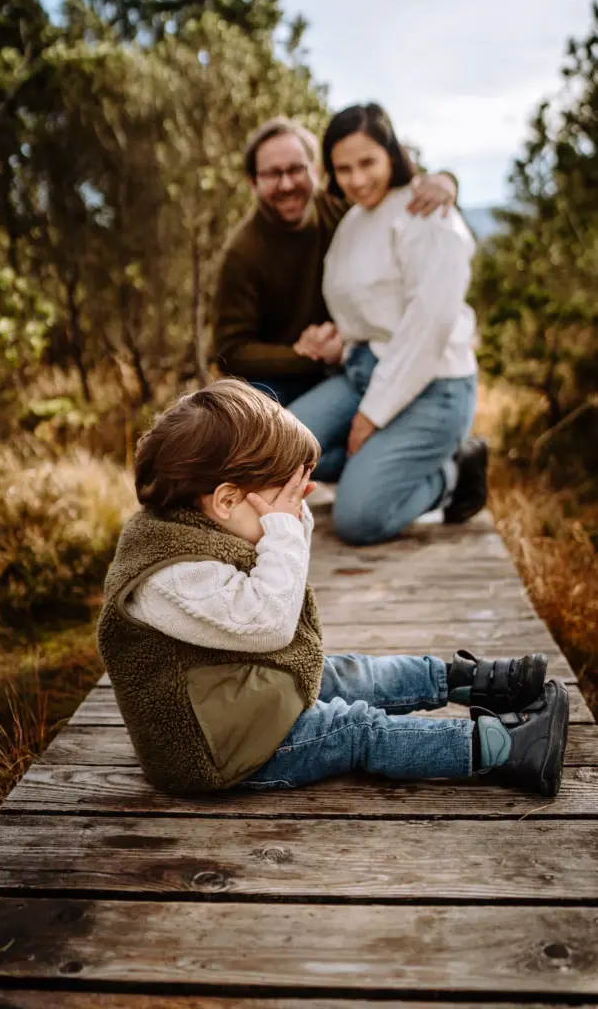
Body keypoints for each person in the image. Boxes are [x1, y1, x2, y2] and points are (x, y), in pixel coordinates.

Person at [97, 379, 569, 799]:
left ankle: (478, 684)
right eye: (280, 496)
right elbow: (270, 624)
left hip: (238, 698)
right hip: (218, 749)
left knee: (345, 674)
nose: (291, 508)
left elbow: (281, 589)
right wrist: (282, 531)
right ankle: (507, 749)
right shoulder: (170, 575)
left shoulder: (204, 522)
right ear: (225, 499)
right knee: (355, 730)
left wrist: (286, 521)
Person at [289, 103, 487, 545]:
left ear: (392, 155)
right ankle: (378, 467)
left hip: (433, 386)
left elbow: (427, 329)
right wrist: (335, 342)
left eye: (367, 163)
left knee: (359, 519)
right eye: (343, 168)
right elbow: (372, 313)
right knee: (282, 452)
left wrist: (372, 416)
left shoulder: (427, 212)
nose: (357, 179)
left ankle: (453, 471)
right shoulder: (354, 220)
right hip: (363, 372)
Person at [213, 117, 458, 408]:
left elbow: (395, 196)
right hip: (284, 378)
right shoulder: (243, 253)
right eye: (272, 174)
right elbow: (230, 351)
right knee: (260, 423)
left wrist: (445, 180)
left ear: (315, 171)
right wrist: (305, 355)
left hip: (355, 358)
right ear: (253, 183)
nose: (286, 183)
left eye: (296, 169)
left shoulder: (343, 211)